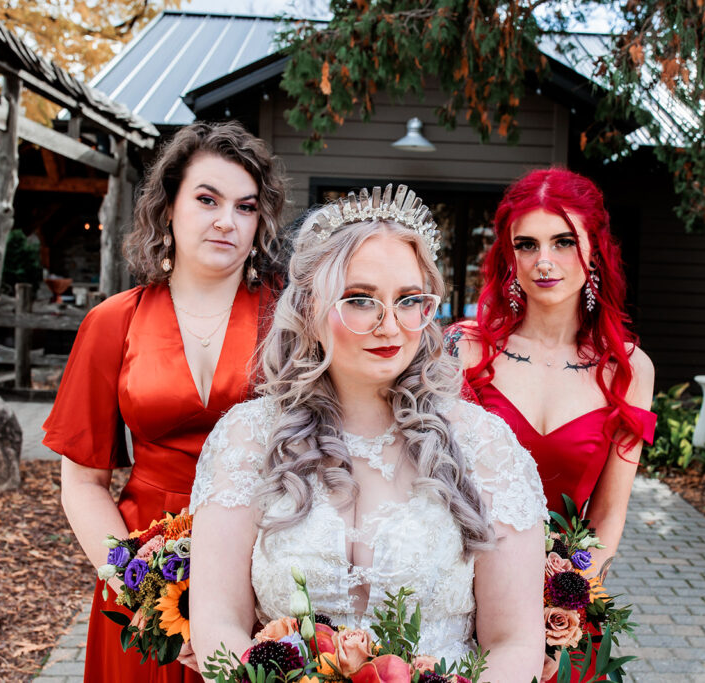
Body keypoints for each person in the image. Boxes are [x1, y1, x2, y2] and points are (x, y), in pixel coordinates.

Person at [188, 185, 548, 681]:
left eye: (408, 301)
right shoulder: (246, 439)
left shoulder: (485, 447)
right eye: (360, 300)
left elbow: (514, 643)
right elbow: (218, 623)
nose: (390, 326)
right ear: (311, 309)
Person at [42, 121, 286, 683]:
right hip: (141, 559)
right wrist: (137, 588)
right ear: (168, 206)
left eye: (245, 207)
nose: (227, 220)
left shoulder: (291, 325)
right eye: (207, 199)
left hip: (262, 557)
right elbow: (82, 482)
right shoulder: (113, 322)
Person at [446, 167, 656, 579]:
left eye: (563, 242)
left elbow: (609, 513)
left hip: (564, 601)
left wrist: (574, 602)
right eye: (527, 245)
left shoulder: (629, 369)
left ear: (593, 249)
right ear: (510, 257)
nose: (544, 262)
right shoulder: (463, 350)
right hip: (459, 589)